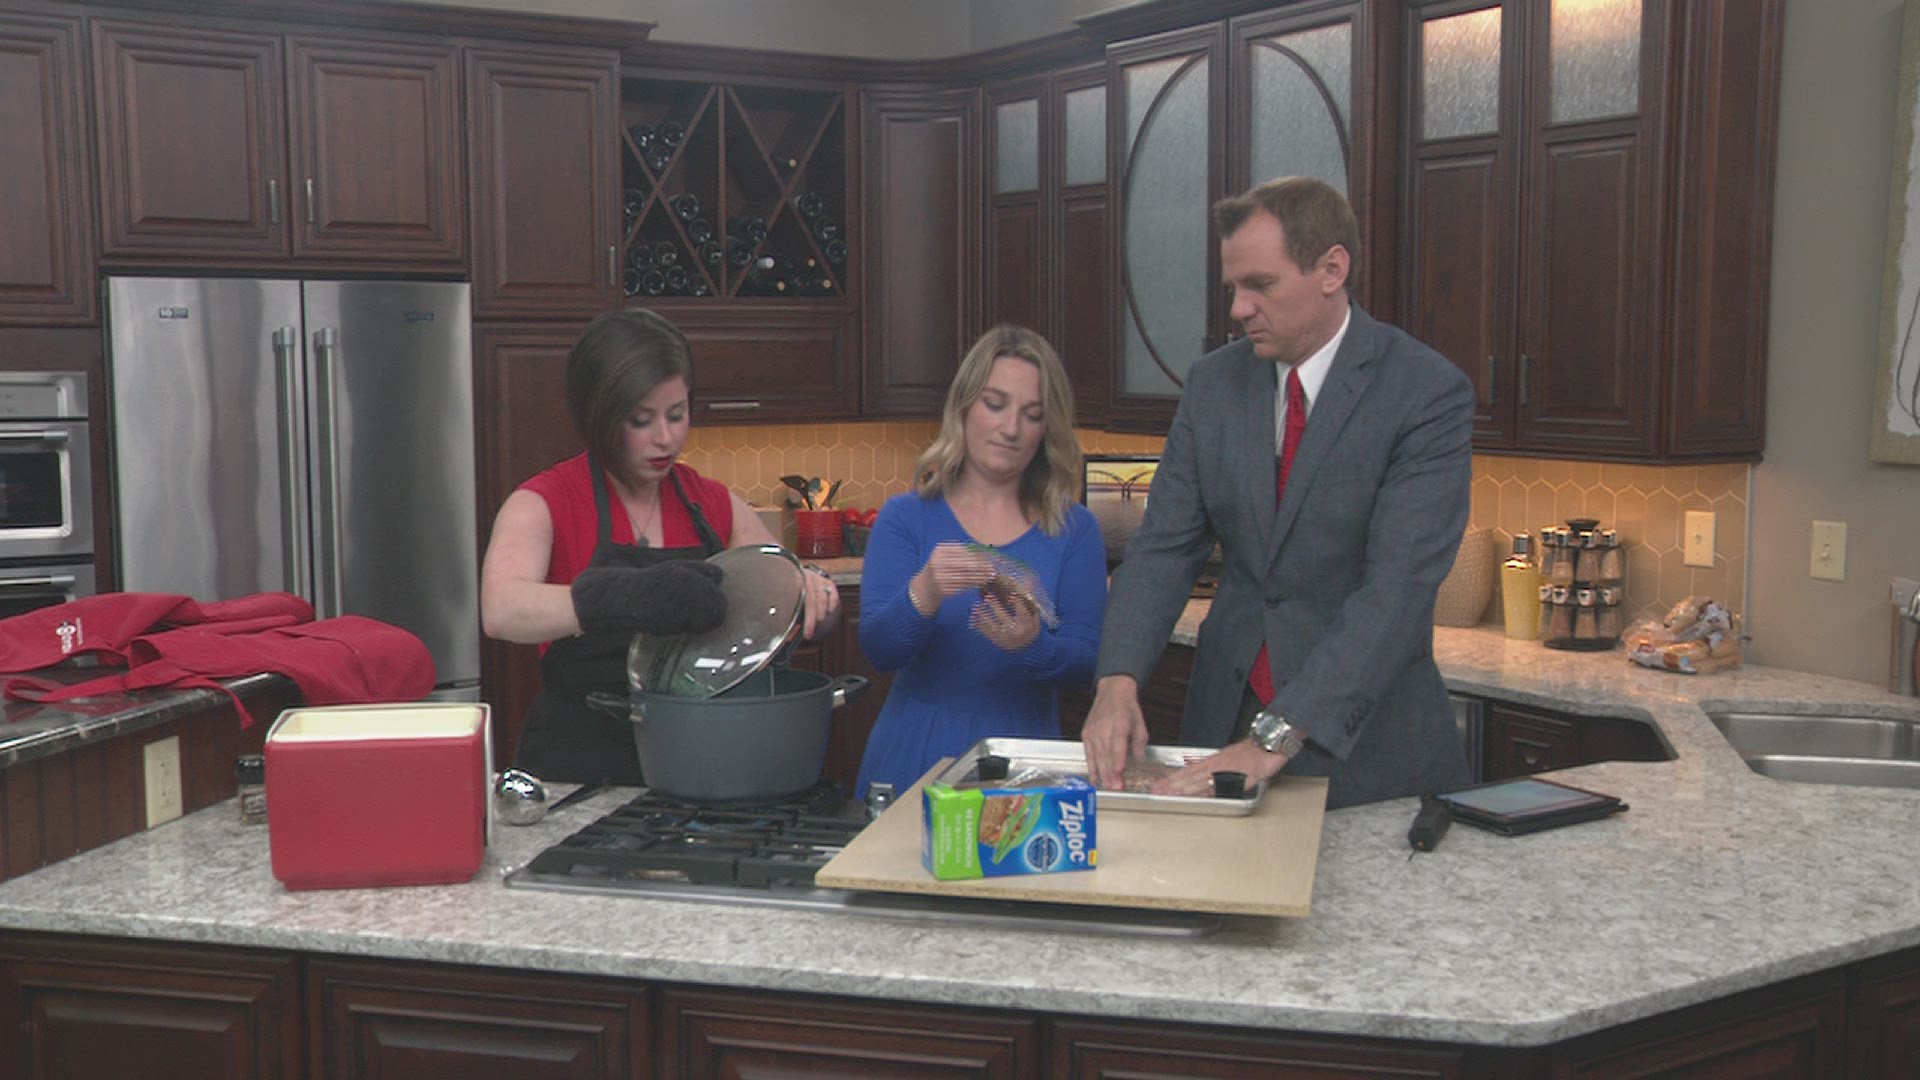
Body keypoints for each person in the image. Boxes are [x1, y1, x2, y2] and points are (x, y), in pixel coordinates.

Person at [1081, 176, 1475, 810]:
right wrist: (1117, 681)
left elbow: (1396, 595)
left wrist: (1276, 736)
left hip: (1367, 753)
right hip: (1221, 726)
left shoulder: (1424, 393)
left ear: (1331, 269)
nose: (1238, 309)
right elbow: (1162, 552)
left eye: (1259, 285)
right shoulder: (1213, 386)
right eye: (1233, 287)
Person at [480, 308, 840, 786]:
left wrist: (816, 594)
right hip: (577, 768)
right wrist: (628, 596)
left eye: (677, 414)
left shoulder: (713, 503)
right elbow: (502, 609)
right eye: (641, 420)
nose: (666, 438)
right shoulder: (543, 503)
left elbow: (785, 594)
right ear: (599, 418)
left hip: (694, 763)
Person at [855, 324, 1108, 799]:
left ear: (1046, 429)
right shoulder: (905, 518)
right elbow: (880, 651)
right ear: (964, 407)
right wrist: (924, 593)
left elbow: (1085, 665)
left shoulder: (1075, 530)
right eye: (995, 405)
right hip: (915, 753)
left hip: (1028, 763)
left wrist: (1034, 643)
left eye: (1031, 415)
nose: (1010, 429)